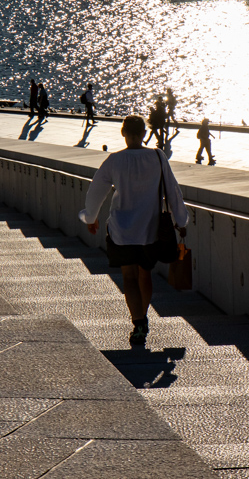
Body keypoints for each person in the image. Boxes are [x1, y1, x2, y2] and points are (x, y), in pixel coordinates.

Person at [78, 115, 188, 346]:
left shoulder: (114, 160)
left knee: (128, 276)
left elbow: (96, 190)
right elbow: (173, 190)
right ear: (144, 134)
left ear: (123, 133)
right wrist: (181, 219)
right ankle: (144, 316)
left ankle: (137, 322)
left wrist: (91, 217)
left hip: (121, 228)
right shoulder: (157, 157)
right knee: (144, 273)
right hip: (150, 228)